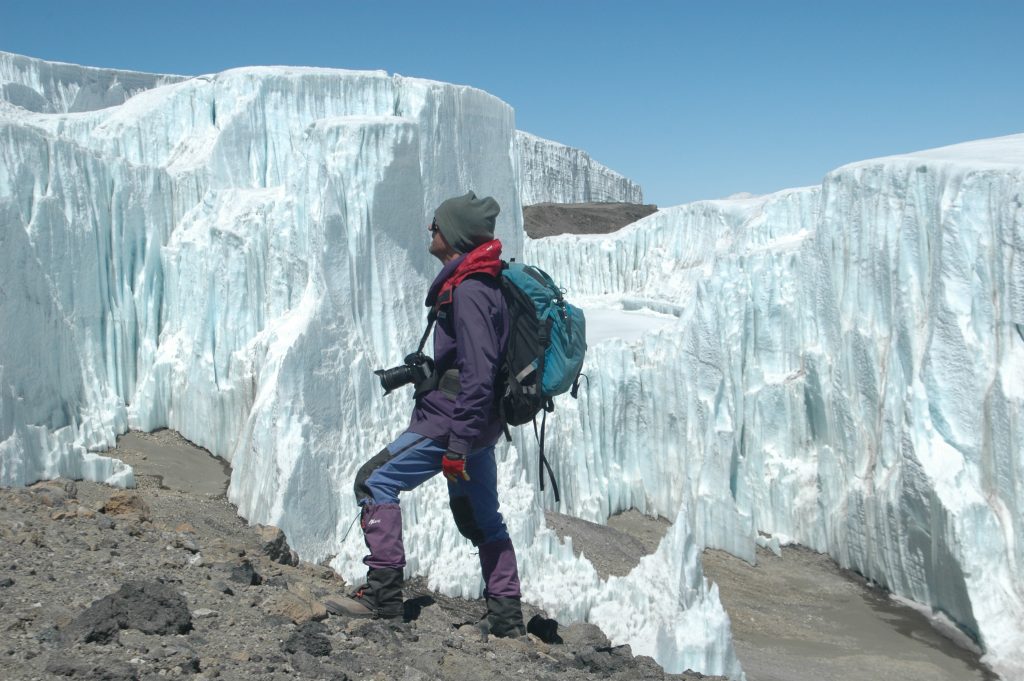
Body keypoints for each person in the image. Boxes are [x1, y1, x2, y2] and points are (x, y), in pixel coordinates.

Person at [329, 191, 526, 638]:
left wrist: (455, 444)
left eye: (435, 226)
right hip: (477, 425)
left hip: (451, 424)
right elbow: (475, 365)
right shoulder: (483, 284)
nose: (429, 232)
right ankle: (506, 618)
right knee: (483, 518)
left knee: (374, 481)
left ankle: (382, 597)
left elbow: (478, 374)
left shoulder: (471, 291)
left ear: (452, 235)